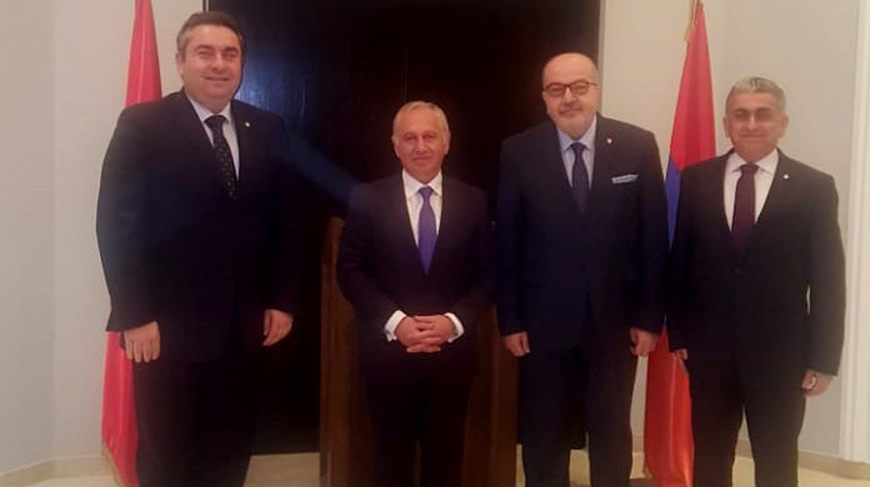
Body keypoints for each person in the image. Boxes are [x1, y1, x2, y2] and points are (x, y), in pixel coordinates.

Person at [96, 11, 303, 487]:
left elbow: (287, 223)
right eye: (205, 52)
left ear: (242, 64)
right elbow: (117, 226)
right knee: (166, 455)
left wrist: (282, 300)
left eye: (230, 54)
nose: (219, 64)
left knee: (229, 449)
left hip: (244, 327)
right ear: (180, 61)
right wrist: (134, 314)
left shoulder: (267, 128)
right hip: (164, 329)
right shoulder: (143, 124)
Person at [495, 52, 668, 487]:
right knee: (544, 429)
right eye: (556, 89)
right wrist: (510, 319)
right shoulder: (518, 151)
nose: (568, 98)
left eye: (579, 87)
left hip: (616, 322)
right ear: (544, 98)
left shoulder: (637, 145)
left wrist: (650, 318)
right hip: (543, 323)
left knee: (610, 429)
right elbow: (509, 242)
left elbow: (653, 239)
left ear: (597, 90)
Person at [667, 77, 846, 487]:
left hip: (782, 355)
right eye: (741, 114)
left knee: (777, 460)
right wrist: (677, 332)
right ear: (726, 124)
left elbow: (828, 278)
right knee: (711, 457)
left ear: (782, 123)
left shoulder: (814, 187)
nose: (751, 124)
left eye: (762, 114)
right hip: (709, 352)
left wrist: (824, 357)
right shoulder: (695, 180)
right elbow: (680, 262)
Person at [337, 101, 493, 487]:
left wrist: (453, 322)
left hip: (451, 357)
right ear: (395, 146)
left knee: (446, 463)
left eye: (429, 136)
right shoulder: (366, 198)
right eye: (409, 138)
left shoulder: (474, 201)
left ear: (446, 142)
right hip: (388, 356)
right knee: (389, 464)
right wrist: (397, 323)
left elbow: (489, 274)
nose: (420, 146)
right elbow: (350, 272)